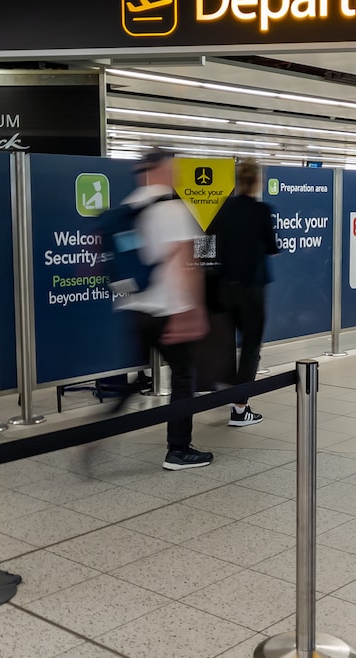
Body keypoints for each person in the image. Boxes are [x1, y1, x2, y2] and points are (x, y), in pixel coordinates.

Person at [117, 150, 214, 470]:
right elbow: (191, 264)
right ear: (162, 169)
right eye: (172, 168)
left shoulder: (130, 206)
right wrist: (195, 311)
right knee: (184, 377)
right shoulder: (174, 208)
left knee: (138, 378)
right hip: (169, 309)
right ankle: (178, 449)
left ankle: (102, 425)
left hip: (136, 308)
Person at [207, 159, 279, 427]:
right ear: (257, 181)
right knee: (250, 347)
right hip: (252, 289)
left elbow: (206, 243)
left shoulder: (224, 207)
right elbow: (272, 247)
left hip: (225, 288)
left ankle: (227, 389)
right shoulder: (261, 210)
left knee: (227, 343)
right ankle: (239, 408)